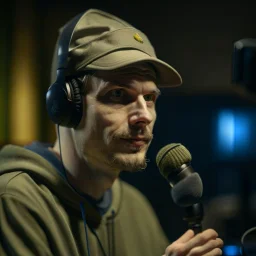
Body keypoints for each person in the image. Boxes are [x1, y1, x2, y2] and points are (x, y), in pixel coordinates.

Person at [0, 8, 223, 256]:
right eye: (118, 94)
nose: (145, 116)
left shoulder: (136, 207)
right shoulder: (14, 201)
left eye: (149, 97)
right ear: (65, 105)